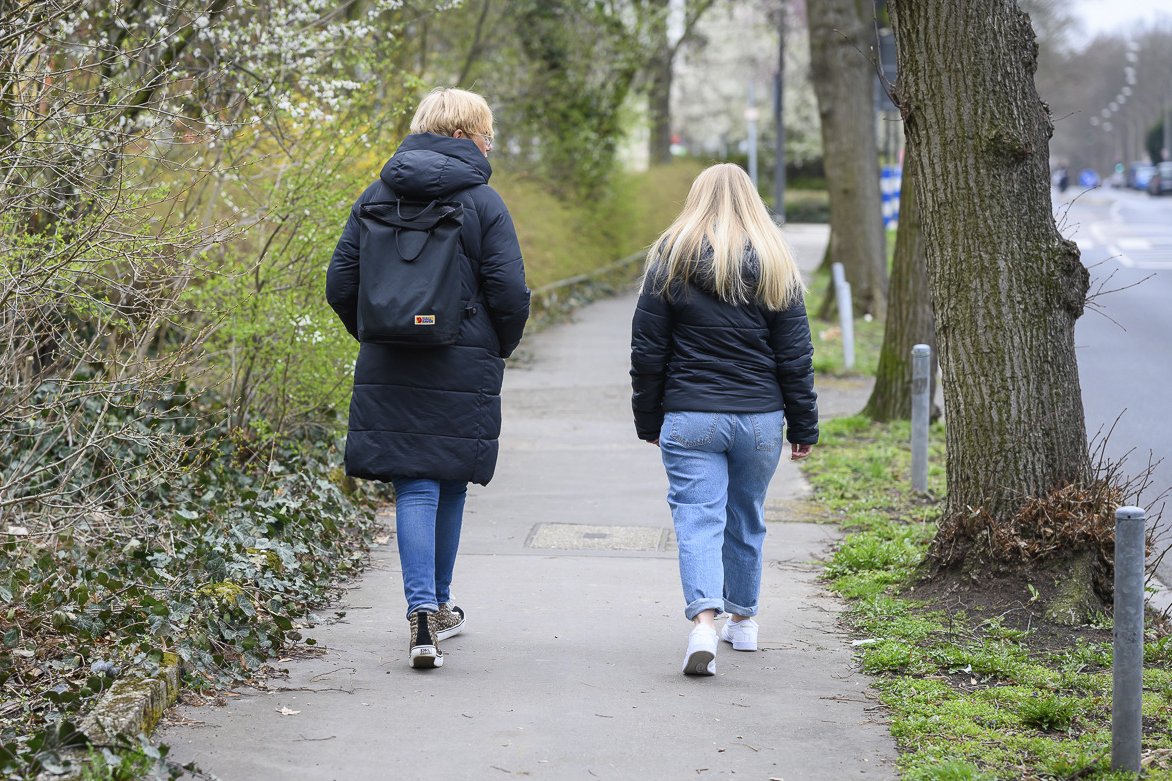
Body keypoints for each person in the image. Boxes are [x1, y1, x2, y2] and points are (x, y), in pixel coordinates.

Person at [326, 88, 530, 669]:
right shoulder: (483, 203)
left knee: (413, 484)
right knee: (450, 478)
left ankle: (421, 615)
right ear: (465, 135)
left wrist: (378, 330)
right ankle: (437, 605)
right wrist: (497, 346)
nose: (490, 145)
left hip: (389, 358)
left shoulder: (375, 195)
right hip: (464, 357)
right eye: (487, 135)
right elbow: (510, 292)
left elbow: (340, 283)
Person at [630, 163, 818, 677]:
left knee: (698, 519)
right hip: (760, 418)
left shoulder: (670, 259)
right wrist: (803, 425)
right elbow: (795, 356)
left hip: (691, 415)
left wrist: (648, 418)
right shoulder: (776, 261)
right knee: (746, 514)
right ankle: (745, 620)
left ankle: (703, 626)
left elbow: (647, 351)